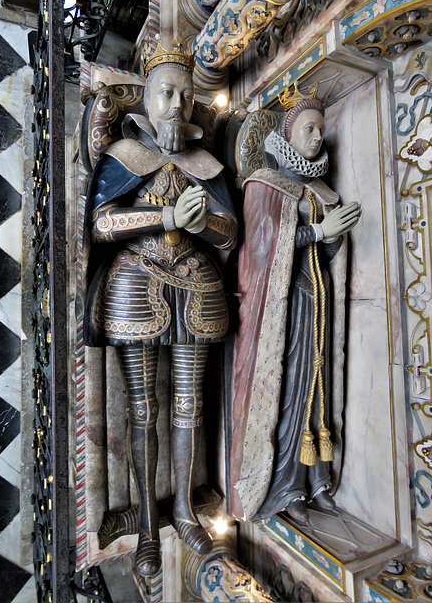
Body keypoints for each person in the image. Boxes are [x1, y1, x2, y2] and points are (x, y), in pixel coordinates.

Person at [83, 40, 237, 575]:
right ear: (146, 100)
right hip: (136, 280)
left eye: (186, 94)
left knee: (190, 405)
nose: (177, 103)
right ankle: (148, 523)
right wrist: (164, 217)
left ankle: (183, 511)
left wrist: (200, 224)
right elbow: (102, 224)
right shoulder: (126, 157)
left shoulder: (206, 163)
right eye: (165, 92)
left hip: (195, 285)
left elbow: (229, 232)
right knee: (142, 409)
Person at [230, 83, 361, 525]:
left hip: (317, 301)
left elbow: (323, 255)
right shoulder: (265, 185)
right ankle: (286, 487)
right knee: (289, 393)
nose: (316, 138)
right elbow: (263, 253)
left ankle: (317, 481)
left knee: (318, 387)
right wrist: (322, 232)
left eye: (320, 131)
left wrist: (333, 236)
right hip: (282, 311)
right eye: (308, 129)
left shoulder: (319, 192)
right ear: (286, 136)